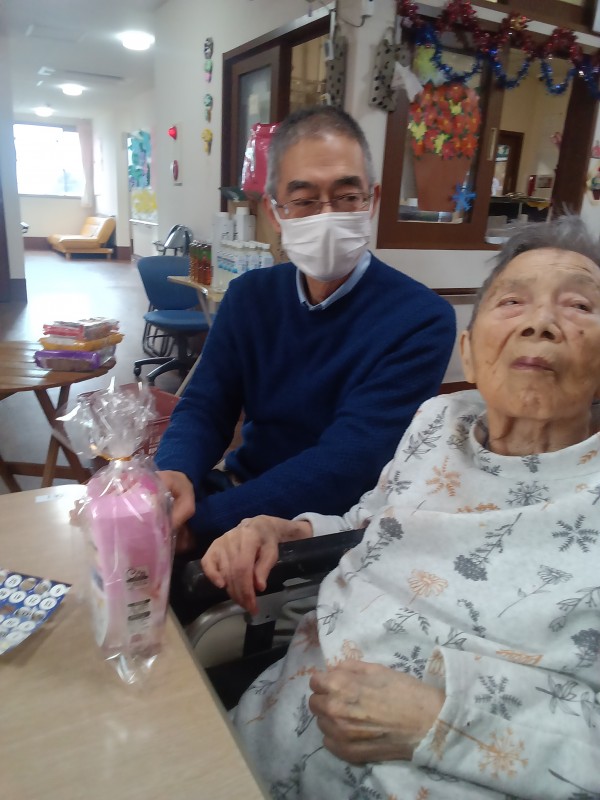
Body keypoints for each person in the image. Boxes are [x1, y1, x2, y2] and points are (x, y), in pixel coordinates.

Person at [202, 215, 600, 799]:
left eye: (579, 306)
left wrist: (444, 722)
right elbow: (373, 524)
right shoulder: (439, 422)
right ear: (469, 352)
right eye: (512, 301)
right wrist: (287, 529)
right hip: (269, 736)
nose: (540, 322)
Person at [155, 106, 456, 615]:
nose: (327, 215)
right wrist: (175, 476)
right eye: (304, 200)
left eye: (346, 196)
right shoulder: (250, 296)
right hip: (237, 493)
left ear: (372, 201)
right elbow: (206, 404)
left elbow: (348, 464)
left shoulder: (421, 319)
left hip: (324, 532)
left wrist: (199, 526)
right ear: (275, 212)